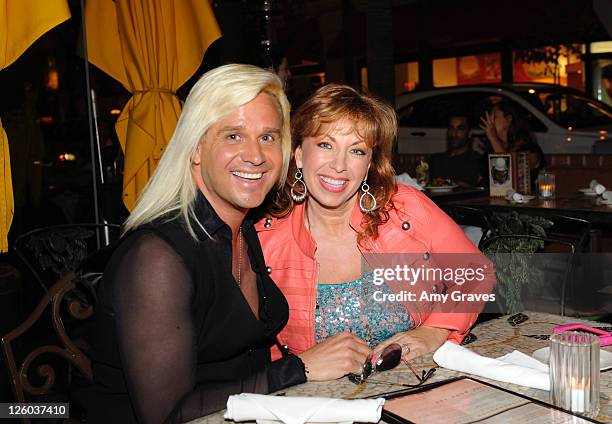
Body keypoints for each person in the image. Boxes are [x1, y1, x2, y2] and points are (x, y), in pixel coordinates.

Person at [79, 64, 306, 423]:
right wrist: (298, 370)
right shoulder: (157, 258)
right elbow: (167, 414)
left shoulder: (243, 230)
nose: (256, 155)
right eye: (233, 135)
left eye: (268, 137)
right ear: (196, 148)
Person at [256, 84, 495, 381]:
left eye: (356, 150)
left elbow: (476, 272)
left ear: (368, 164)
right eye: (325, 145)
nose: (339, 165)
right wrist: (298, 369)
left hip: (417, 391)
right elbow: (253, 359)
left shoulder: (405, 209)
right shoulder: (264, 241)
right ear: (299, 154)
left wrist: (435, 330)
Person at [480, 100, 546, 187]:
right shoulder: (491, 151)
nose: (490, 122)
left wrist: (493, 138)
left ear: (508, 119)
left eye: (494, 117)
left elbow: (510, 177)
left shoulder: (529, 149)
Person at [429, 113, 486, 187]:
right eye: (451, 128)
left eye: (460, 129)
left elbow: (473, 188)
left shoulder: (476, 160)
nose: (454, 133)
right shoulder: (436, 159)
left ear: (469, 133)